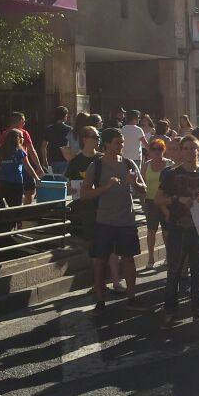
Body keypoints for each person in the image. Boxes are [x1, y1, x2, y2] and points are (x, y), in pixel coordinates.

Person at [81, 128, 149, 315]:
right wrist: (106, 187)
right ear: (107, 144)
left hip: (126, 220)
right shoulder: (97, 166)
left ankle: (132, 297)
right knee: (101, 261)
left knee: (128, 259)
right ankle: (101, 300)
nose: (122, 146)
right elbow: (84, 193)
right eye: (118, 143)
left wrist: (134, 183)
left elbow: (144, 189)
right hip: (104, 221)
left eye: (123, 143)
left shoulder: (128, 164)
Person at [155, 135, 199, 329]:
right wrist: (177, 199)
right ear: (181, 151)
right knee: (174, 273)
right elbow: (158, 199)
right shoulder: (171, 174)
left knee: (198, 274)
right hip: (178, 229)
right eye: (187, 148)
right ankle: (170, 313)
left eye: (194, 148)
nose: (191, 151)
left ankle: (198, 313)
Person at [65, 126, 124, 294]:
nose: (97, 140)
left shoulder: (102, 158)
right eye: (94, 136)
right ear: (84, 139)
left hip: (108, 207)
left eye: (98, 137)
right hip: (88, 209)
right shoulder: (76, 162)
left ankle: (116, 281)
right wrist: (76, 188)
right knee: (95, 247)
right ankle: (98, 283)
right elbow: (70, 187)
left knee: (113, 245)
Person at [142, 138, 174, 269]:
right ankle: (150, 258)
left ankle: (168, 256)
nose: (157, 152)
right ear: (149, 151)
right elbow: (142, 184)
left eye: (160, 149)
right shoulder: (145, 165)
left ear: (164, 150)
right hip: (150, 201)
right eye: (154, 149)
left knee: (166, 231)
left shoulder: (169, 164)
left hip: (165, 201)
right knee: (151, 230)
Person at [0, 111, 44, 204]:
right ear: (19, 121)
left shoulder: (4, 134)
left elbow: (0, 153)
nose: (24, 123)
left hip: (6, 168)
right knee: (30, 190)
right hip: (22, 164)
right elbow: (32, 151)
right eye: (23, 121)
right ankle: (25, 210)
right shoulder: (23, 133)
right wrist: (38, 166)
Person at [0, 129, 39, 208]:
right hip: (15, 182)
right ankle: (14, 220)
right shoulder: (19, 151)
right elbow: (27, 166)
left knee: (0, 205)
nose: (23, 139)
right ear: (17, 138)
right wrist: (36, 178)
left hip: (1, 181)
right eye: (21, 137)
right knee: (15, 207)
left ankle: (2, 219)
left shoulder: (0, 149)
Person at [41, 106, 72, 176]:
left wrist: (44, 160)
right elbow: (71, 146)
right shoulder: (69, 129)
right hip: (65, 160)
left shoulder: (49, 129)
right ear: (65, 116)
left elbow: (43, 147)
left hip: (52, 160)